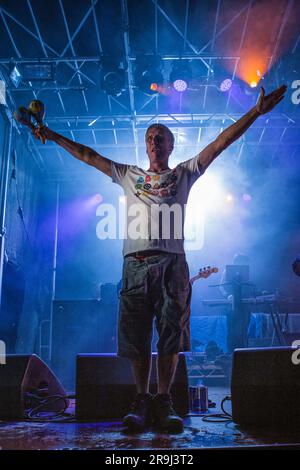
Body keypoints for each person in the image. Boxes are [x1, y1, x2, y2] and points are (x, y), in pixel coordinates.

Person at [33, 85, 286, 433]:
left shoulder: (183, 173)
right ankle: (140, 400)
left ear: (170, 146)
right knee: (136, 338)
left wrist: (255, 112)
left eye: (160, 137)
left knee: (169, 336)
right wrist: (50, 134)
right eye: (150, 137)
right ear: (145, 144)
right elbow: (88, 154)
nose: (154, 141)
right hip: (135, 264)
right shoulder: (128, 175)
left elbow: (220, 143)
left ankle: (163, 400)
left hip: (172, 263)